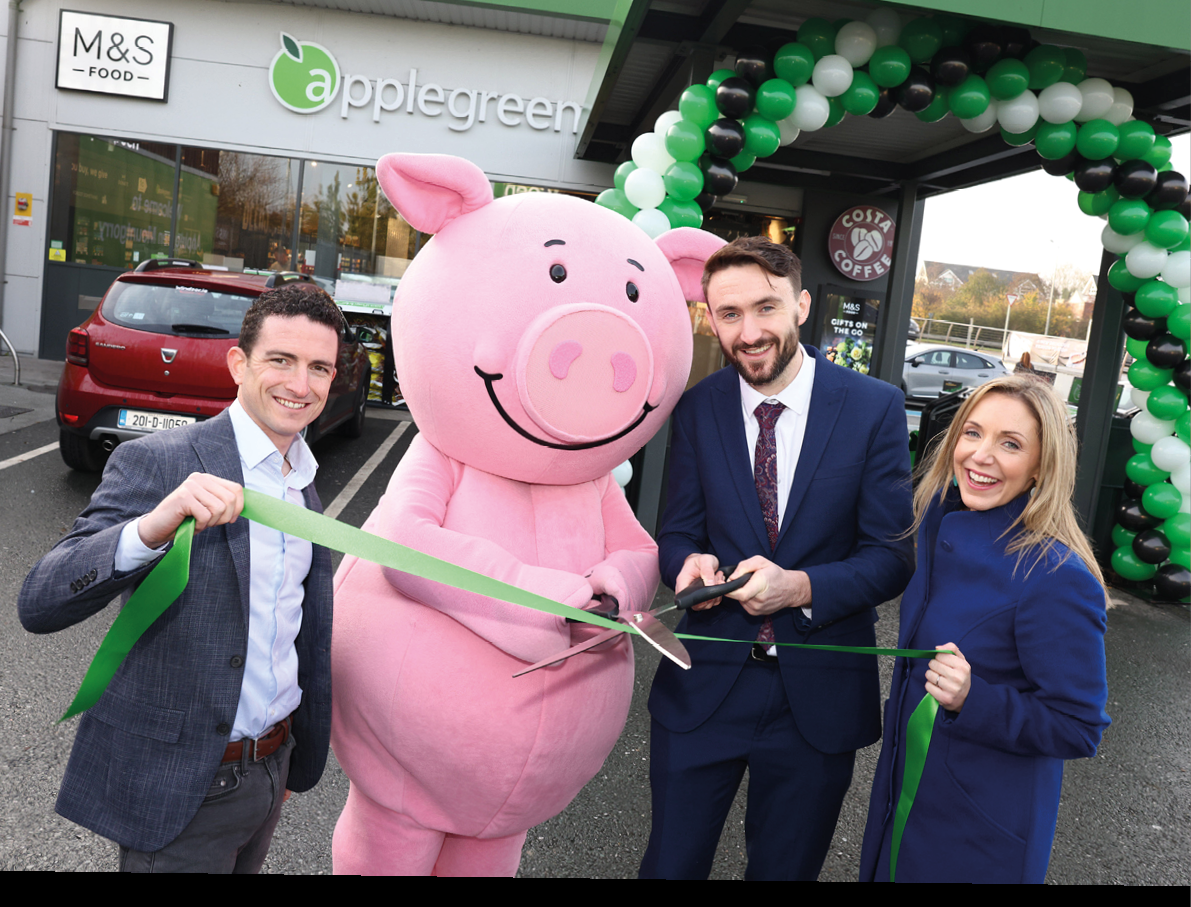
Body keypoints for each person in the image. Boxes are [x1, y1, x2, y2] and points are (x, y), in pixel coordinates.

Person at [18, 283, 345, 872]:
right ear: (238, 364)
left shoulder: (301, 478)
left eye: (319, 367)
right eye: (282, 360)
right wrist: (152, 528)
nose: (301, 385)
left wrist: (288, 758)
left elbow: (296, 624)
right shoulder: (163, 461)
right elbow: (40, 601)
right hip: (182, 782)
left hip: (270, 770)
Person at [640, 236, 915, 880]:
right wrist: (686, 566)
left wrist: (798, 587)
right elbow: (677, 532)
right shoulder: (699, 407)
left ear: (802, 307)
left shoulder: (874, 408)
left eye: (766, 308)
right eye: (730, 314)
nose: (750, 331)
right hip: (704, 687)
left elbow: (891, 558)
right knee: (670, 867)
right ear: (711, 319)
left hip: (816, 702)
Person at [859, 375, 1111, 883]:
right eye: (972, 433)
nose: (981, 456)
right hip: (903, 795)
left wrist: (974, 700)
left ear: (1042, 465)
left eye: (1011, 444)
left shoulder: (1055, 575)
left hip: (979, 829)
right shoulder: (937, 522)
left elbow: (1080, 727)